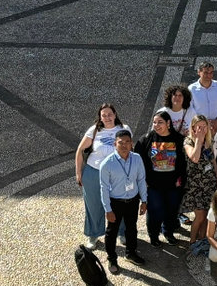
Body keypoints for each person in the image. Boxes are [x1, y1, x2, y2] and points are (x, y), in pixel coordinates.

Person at [74, 104, 130, 249]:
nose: (107, 118)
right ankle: (93, 234)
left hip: (117, 173)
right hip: (94, 172)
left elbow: (130, 149)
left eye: (109, 114)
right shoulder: (94, 130)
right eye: (104, 115)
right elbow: (80, 150)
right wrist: (79, 172)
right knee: (94, 205)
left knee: (120, 203)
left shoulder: (124, 129)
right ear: (100, 117)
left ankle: (121, 232)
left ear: (115, 114)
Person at [133, 110, 186, 247]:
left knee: (172, 209)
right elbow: (137, 160)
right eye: (154, 122)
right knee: (155, 210)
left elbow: (184, 162)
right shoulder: (146, 139)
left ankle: (168, 232)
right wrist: (142, 180)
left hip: (173, 184)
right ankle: (154, 235)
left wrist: (181, 178)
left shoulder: (179, 140)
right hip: (153, 185)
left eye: (160, 122)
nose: (156, 125)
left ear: (168, 123)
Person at [99, 130, 147, 275]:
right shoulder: (107, 164)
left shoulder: (137, 158)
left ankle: (131, 253)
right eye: (121, 142)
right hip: (116, 202)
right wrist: (108, 209)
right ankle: (112, 258)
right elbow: (104, 188)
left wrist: (144, 200)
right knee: (111, 231)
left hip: (132, 200)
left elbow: (141, 180)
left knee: (132, 228)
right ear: (115, 144)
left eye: (127, 142)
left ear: (131, 143)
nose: (124, 145)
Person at [181, 115, 217, 245]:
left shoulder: (209, 141)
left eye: (205, 127)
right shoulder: (188, 142)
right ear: (193, 127)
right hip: (196, 185)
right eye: (199, 127)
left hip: (209, 184)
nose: (202, 129)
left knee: (207, 216)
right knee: (200, 216)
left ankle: (202, 240)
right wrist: (198, 140)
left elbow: (213, 161)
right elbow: (195, 158)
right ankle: (192, 241)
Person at [188, 62, 217, 134]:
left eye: (211, 73)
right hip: (199, 126)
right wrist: (202, 122)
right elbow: (190, 108)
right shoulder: (192, 89)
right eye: (206, 73)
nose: (208, 75)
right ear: (199, 72)